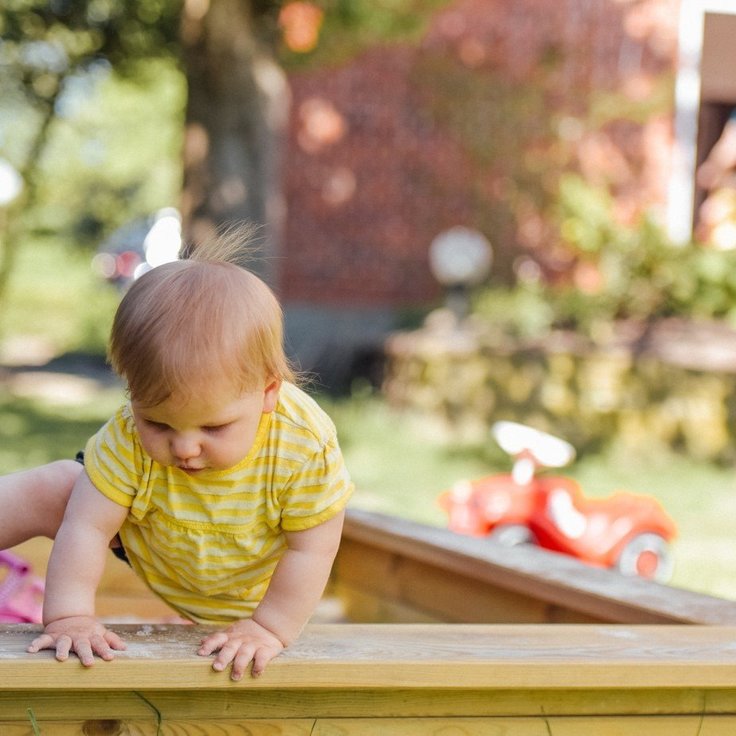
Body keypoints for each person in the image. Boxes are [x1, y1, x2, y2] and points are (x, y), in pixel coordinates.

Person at [0, 228, 353, 680]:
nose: (184, 448)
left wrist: (269, 627)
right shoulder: (127, 433)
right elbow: (87, 527)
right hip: (158, 539)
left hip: (254, 579)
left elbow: (312, 550)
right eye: (159, 424)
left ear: (267, 393)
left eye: (214, 427)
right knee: (59, 486)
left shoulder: (302, 445)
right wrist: (70, 616)